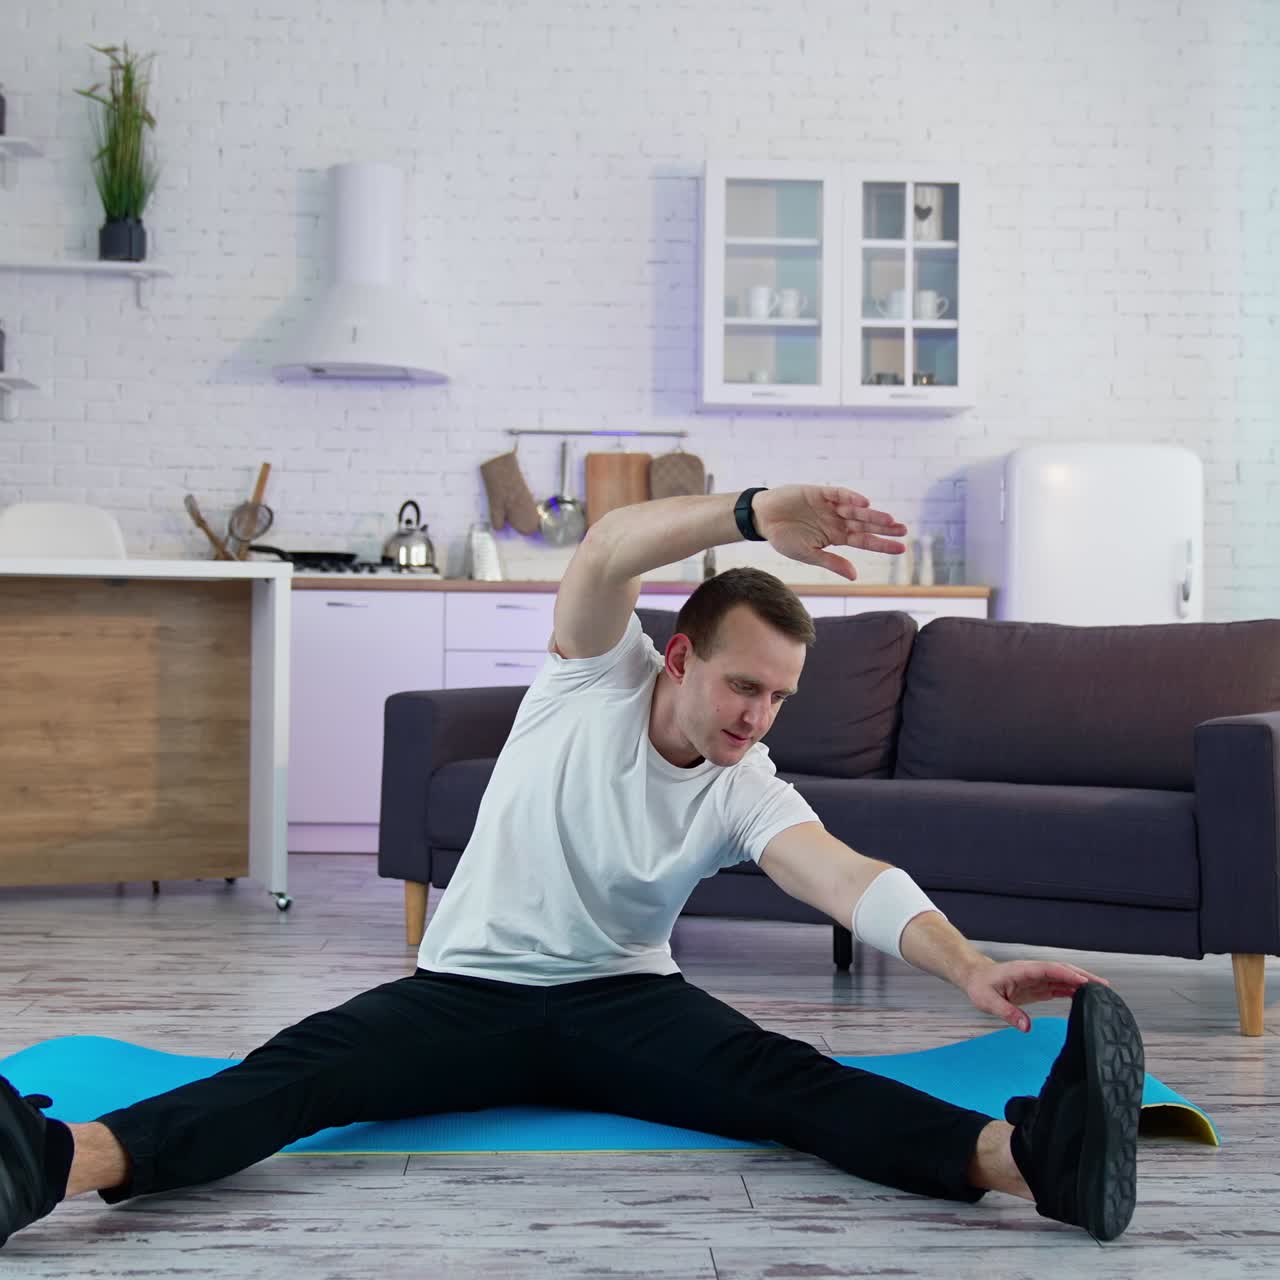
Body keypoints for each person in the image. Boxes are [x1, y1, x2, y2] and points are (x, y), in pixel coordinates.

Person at [0, 483, 1144, 1248]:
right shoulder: (594, 672)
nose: (757, 715)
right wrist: (751, 510)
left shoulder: (746, 782)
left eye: (779, 695)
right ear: (681, 654)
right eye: (744, 685)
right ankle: (49, 1163)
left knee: (792, 1086)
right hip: (466, 992)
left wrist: (966, 965)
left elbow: (847, 876)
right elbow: (604, 548)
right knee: (292, 1078)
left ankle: (1033, 1162)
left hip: (624, 1004)